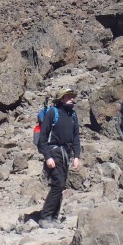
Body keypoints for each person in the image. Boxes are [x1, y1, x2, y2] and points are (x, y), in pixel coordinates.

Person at [35, 90, 82, 227]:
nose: (71, 99)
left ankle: (54, 218)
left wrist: (76, 156)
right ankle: (45, 217)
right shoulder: (52, 113)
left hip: (66, 153)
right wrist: (47, 157)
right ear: (61, 99)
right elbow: (43, 138)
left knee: (60, 185)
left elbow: (76, 137)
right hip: (54, 151)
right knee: (58, 183)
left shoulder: (73, 114)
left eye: (72, 97)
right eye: (68, 97)